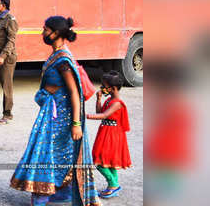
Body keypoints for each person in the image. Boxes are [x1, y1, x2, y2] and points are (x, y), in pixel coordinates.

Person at [10, 16, 100, 206]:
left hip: (62, 118)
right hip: (53, 115)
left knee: (47, 154)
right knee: (56, 155)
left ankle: (42, 196)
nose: (42, 33)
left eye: (45, 29)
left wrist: (76, 124)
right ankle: (58, 194)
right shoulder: (56, 54)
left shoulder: (63, 60)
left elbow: (75, 92)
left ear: (56, 33)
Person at [86, 70, 132, 199]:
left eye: (103, 86)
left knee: (99, 160)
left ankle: (113, 185)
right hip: (106, 131)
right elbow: (100, 111)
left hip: (112, 135)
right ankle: (114, 185)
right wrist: (99, 99)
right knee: (108, 161)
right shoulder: (109, 100)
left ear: (112, 88)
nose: (101, 88)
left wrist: (85, 116)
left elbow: (104, 115)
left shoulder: (117, 103)